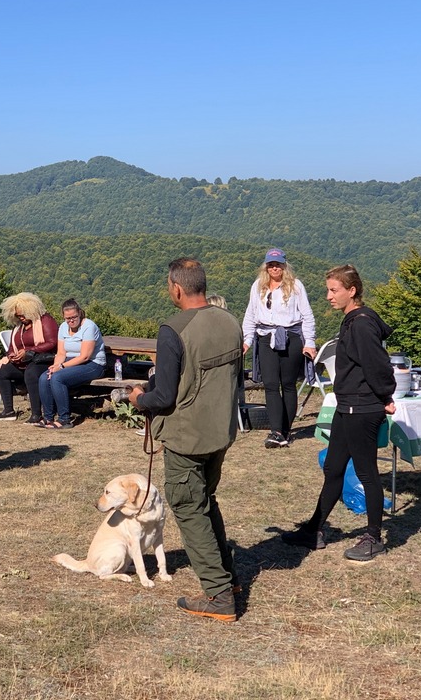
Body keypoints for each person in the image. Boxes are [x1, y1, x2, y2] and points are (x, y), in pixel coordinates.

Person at [129, 258, 243, 621]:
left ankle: (219, 594)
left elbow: (163, 397)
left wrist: (137, 398)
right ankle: (228, 578)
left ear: (176, 288)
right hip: (221, 430)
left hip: (187, 436)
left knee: (189, 508)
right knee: (205, 500)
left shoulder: (173, 329)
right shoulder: (230, 321)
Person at [282, 264, 395, 563]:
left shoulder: (361, 325)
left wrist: (386, 395)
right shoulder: (351, 321)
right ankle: (314, 529)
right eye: (328, 290)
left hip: (363, 408)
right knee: (333, 468)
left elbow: (378, 365)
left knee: (366, 473)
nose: (329, 296)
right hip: (347, 406)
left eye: (334, 290)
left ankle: (373, 537)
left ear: (352, 290)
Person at [241, 248, 317, 448]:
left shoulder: (295, 286)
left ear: (284, 266)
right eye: (271, 264)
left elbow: (307, 316)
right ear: (266, 267)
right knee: (272, 385)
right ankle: (276, 431)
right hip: (265, 337)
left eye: (278, 264)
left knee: (288, 384)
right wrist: (247, 340)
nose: (275, 268)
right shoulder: (258, 286)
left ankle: (285, 429)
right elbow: (251, 314)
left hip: (291, 337)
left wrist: (309, 342)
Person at [0, 293, 58, 424]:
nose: (21, 318)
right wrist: (11, 356)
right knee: (1, 370)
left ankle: (36, 414)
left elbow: (52, 342)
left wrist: (29, 350)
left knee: (31, 372)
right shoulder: (19, 327)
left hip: (42, 360)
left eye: (22, 315)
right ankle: (8, 410)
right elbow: (11, 347)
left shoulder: (45, 320)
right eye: (18, 315)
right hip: (23, 362)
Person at [37, 299, 106, 429]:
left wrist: (62, 367)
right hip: (70, 361)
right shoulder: (63, 327)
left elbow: (85, 356)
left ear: (80, 313)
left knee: (58, 378)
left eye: (74, 317)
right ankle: (48, 417)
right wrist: (55, 366)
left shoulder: (89, 326)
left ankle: (64, 419)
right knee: (44, 377)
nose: (71, 321)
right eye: (67, 318)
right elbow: (61, 353)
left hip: (92, 364)